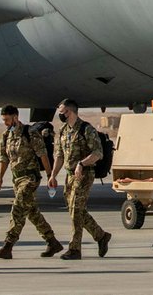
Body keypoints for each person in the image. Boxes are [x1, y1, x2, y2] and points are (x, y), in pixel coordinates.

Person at [0, 106, 64, 259]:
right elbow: (4, 158)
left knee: (17, 209)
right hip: (17, 179)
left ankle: (8, 245)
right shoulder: (6, 136)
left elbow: (42, 153)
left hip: (30, 178)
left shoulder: (29, 132)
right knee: (31, 212)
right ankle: (52, 242)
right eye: (3, 120)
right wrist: (0, 177)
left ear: (15, 117)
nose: (5, 123)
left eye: (7, 119)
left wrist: (50, 175)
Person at [47, 99, 112, 260]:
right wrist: (53, 175)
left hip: (84, 174)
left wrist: (82, 164)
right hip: (70, 176)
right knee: (76, 211)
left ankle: (75, 249)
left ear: (70, 112)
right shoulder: (63, 130)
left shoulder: (86, 129)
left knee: (76, 209)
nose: (60, 115)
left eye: (62, 112)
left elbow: (98, 153)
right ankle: (101, 236)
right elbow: (60, 155)